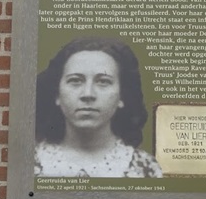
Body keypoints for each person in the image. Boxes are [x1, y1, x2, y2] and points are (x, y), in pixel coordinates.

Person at [34, 37, 163, 178]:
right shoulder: (30, 164)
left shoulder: (147, 169)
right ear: (57, 94)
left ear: (122, 96)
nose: (88, 94)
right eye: (75, 81)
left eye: (103, 81)